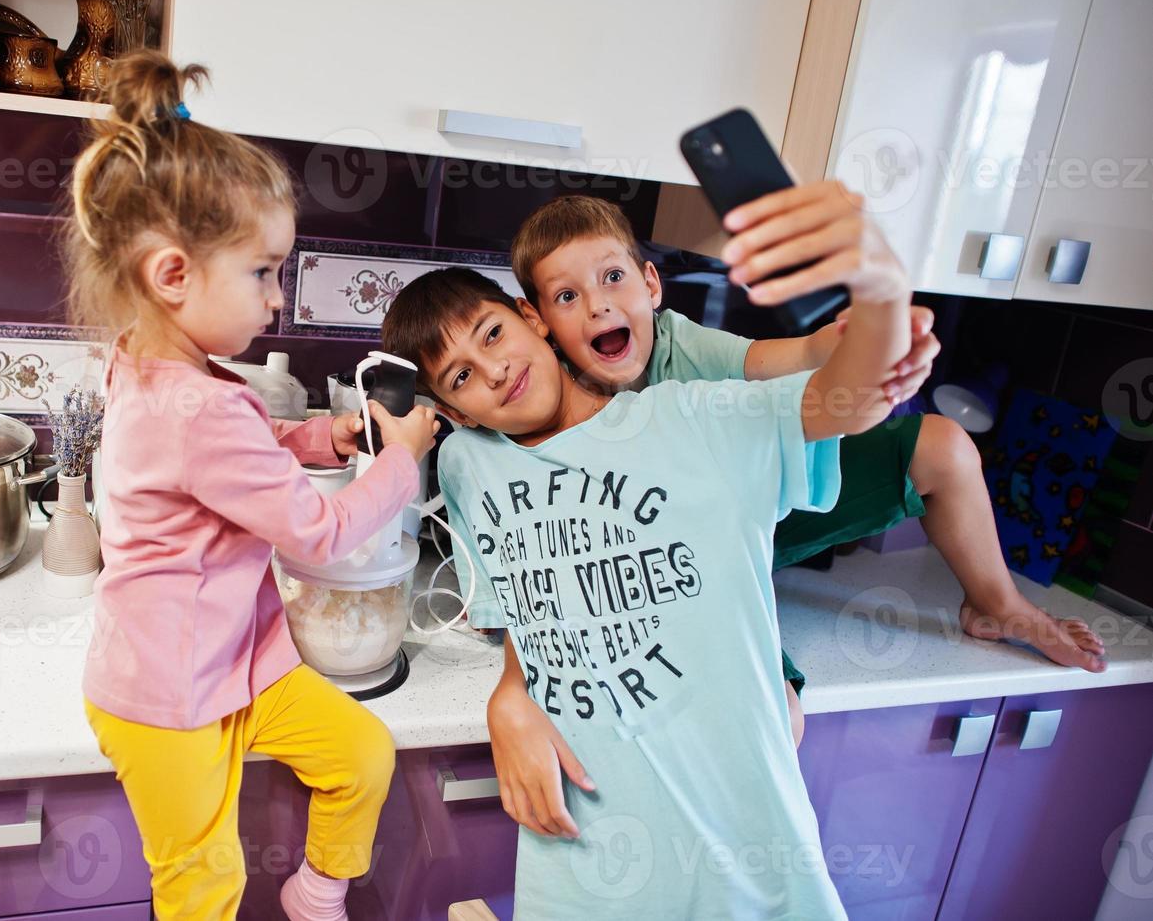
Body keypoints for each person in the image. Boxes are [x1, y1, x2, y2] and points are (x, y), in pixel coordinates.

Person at [381, 182, 911, 918]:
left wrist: (880, 281)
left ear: (530, 320)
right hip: (580, 858)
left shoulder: (695, 415)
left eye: (493, 335)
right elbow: (528, 606)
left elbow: (847, 396)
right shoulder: (472, 465)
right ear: (449, 410)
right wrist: (513, 695)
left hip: (740, 853)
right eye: (461, 375)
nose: (493, 370)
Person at [502, 192, 1106, 748]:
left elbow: (778, 360)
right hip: (683, 576)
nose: (599, 303)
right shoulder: (550, 396)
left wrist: (844, 341)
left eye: (613, 277)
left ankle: (995, 602)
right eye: (567, 296)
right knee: (776, 714)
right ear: (539, 321)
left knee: (944, 445)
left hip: (752, 525)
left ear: (651, 284)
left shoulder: (677, 343)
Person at [65, 49, 439, 921]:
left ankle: (314, 893)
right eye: (263, 271)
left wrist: (314, 432)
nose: (277, 299)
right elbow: (315, 531)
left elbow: (223, 458)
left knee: (358, 751)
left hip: (238, 661)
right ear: (172, 275)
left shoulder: (155, 369)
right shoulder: (196, 407)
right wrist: (401, 456)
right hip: (168, 696)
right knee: (204, 885)